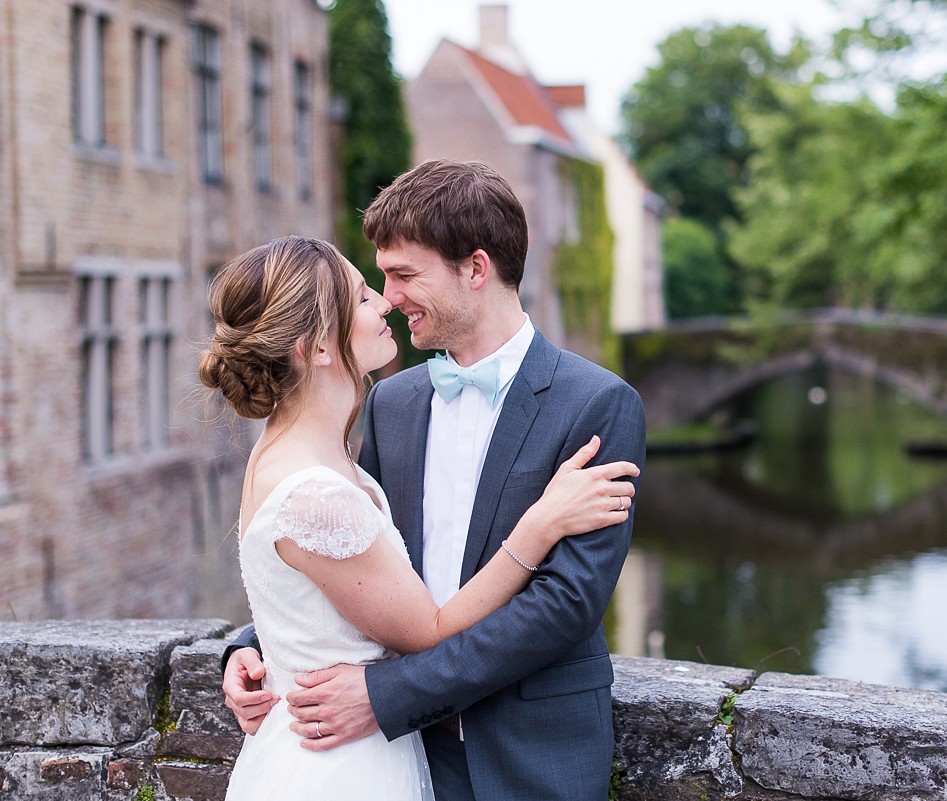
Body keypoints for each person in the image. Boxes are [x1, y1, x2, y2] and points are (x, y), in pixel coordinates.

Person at [222, 160, 647, 800]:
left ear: (475, 269)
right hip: (399, 755)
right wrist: (252, 648)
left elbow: (566, 605)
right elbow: (340, 552)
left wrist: (387, 695)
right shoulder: (393, 403)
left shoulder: (597, 404)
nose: (388, 297)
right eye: (380, 279)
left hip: (531, 755)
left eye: (402, 275)